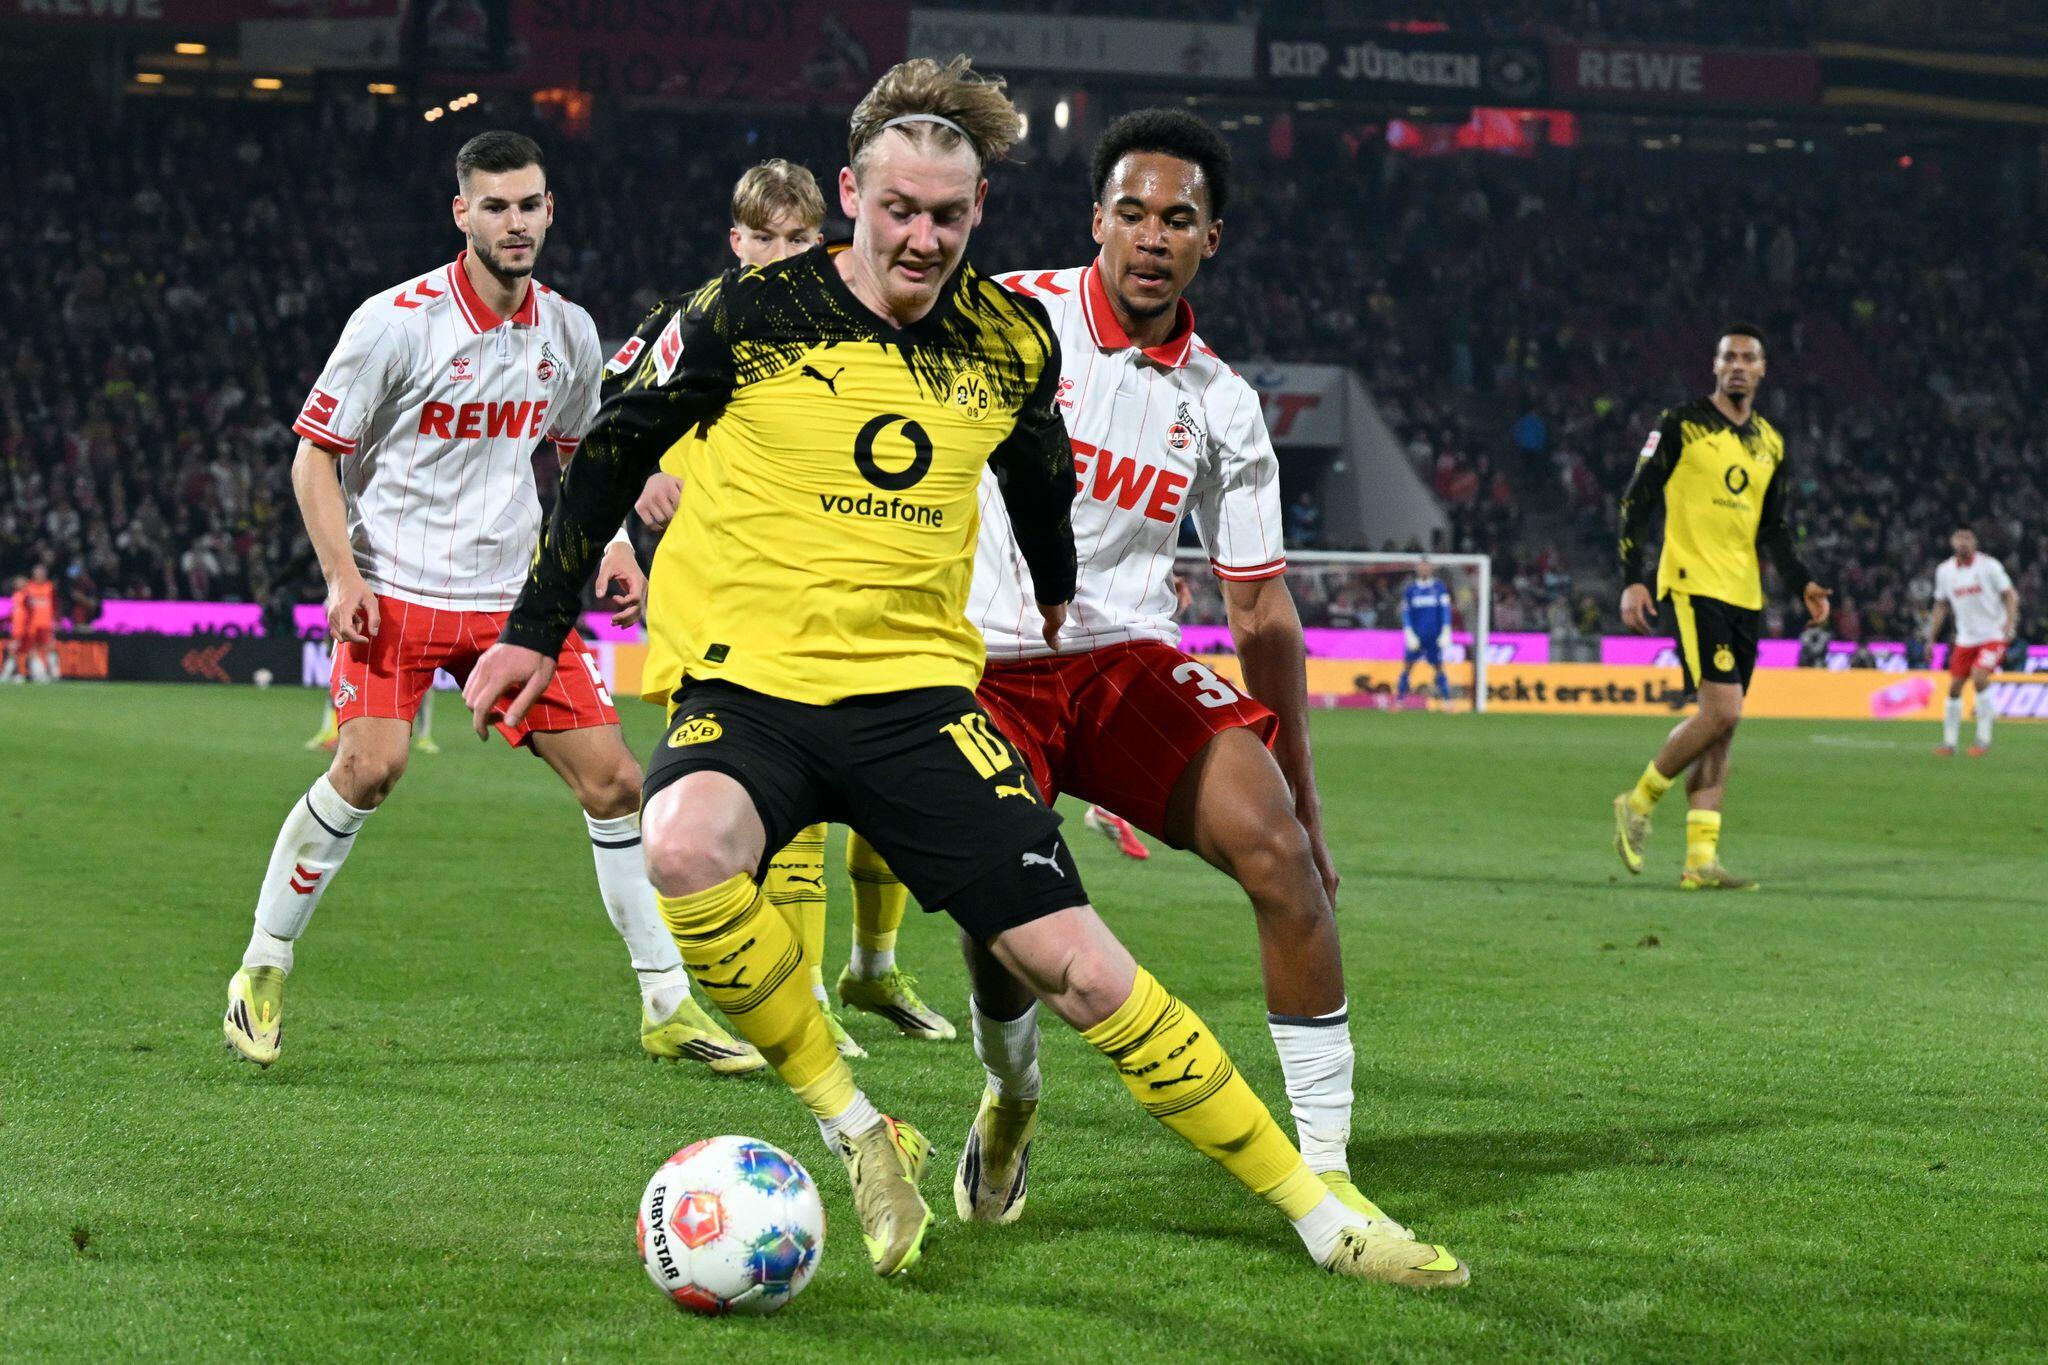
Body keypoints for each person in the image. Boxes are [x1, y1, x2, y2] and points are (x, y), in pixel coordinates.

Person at [465, 59, 1462, 1289]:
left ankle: (1324, 1213)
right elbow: (613, 444)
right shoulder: (744, 313)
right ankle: (860, 1130)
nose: (921, 238)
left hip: (926, 700)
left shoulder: (1005, 337)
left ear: (978, 210)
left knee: (1086, 965)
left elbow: (1039, 465)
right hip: (756, 690)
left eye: (945, 215)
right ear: (851, 197)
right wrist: (534, 626)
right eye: (897, 210)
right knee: (679, 845)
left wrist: (1052, 578)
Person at [965, 109, 1429, 1241]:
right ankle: (1012, 1092)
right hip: (979, 656)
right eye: (1130, 213)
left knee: (1279, 854)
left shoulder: (1222, 402)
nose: (1151, 237)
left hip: (1123, 659)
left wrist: (1305, 799)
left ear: (1209, 238)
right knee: (1000, 900)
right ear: (1095, 220)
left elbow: (1260, 612)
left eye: (1178, 219)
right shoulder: (1005, 318)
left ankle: (1328, 1169)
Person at [222, 130, 762, 1077]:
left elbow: (586, 459)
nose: (515, 223)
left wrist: (617, 546)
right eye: (495, 206)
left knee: (615, 783)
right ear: (461, 214)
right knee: (370, 768)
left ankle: (666, 1002)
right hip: (395, 589)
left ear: (550, 210)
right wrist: (342, 576)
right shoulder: (395, 323)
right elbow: (316, 456)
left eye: (529, 205)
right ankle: (263, 966)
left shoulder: (569, 331)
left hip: (516, 604)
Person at [630, 158, 952, 1059]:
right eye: (763, 238)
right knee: (792, 814)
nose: (780, 255)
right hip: (717, 602)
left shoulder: (865, 330)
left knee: (890, 786)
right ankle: (795, 1001)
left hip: (832, 595)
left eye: (800, 239)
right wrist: (638, 486)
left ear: (826, 240)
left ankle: (866, 968)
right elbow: (604, 420)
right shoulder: (691, 325)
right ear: (735, 243)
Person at [1611, 324, 1831, 890]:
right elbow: (1637, 499)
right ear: (1714, 366)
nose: (1737, 365)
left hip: (1744, 594)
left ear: (1762, 370)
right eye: (1728, 356)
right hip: (1692, 583)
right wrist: (1633, 580)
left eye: (1748, 358)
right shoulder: (1680, 424)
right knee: (1723, 711)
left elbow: (1774, 527)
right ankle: (1638, 801)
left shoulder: (1771, 443)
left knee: (1721, 730)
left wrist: (1802, 582)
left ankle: (1700, 861)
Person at [1927, 527, 2018, 757]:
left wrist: (2009, 622)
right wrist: (1931, 638)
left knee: (1979, 676)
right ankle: (1949, 743)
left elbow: (2010, 594)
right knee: (1954, 687)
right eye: (1959, 538)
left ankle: (1983, 739)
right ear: (1952, 542)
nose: (1963, 542)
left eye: (1968, 538)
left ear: (1975, 542)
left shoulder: (1989, 566)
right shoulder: (1944, 571)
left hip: (1993, 634)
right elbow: (1941, 605)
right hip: (1965, 638)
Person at [1397, 558, 1453, 704]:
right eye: (1421, 567)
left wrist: (1446, 630)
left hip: (1434, 636)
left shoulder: (1439, 588)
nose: (1424, 569)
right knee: (1407, 666)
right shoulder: (1410, 590)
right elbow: (1406, 612)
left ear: (1431, 568)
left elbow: (1445, 610)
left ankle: (1447, 701)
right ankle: (1399, 701)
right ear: (1417, 569)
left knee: (1438, 667)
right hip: (1416, 636)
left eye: (1426, 567)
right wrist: (1409, 632)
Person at [5, 565, 60, 683]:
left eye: (42, 573)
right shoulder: (28, 587)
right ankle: (38, 674)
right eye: (37, 573)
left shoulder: (50, 587)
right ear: (33, 574)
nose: (40, 575)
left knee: (49, 648)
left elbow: (55, 605)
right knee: (31, 650)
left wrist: (56, 619)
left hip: (46, 624)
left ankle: (54, 673)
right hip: (31, 625)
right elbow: (21, 608)